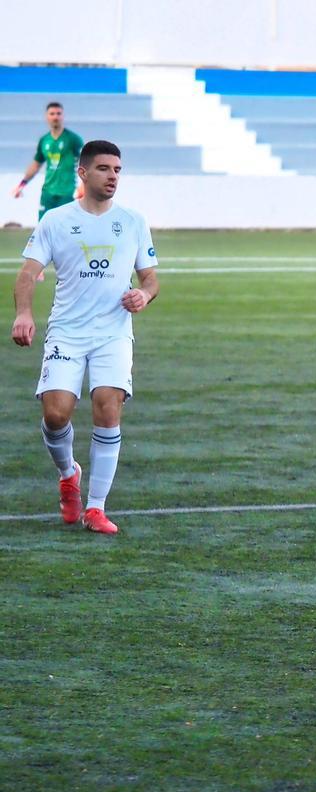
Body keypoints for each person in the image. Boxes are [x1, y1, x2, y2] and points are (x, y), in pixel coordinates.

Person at [10, 140, 159, 535]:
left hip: (113, 333)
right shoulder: (56, 220)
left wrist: (143, 294)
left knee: (107, 406)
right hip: (67, 331)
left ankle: (96, 508)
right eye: (104, 169)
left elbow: (151, 277)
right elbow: (26, 275)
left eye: (117, 170)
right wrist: (24, 313)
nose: (113, 177)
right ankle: (68, 473)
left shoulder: (132, 220)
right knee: (56, 413)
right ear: (83, 172)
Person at [11, 102, 85, 220]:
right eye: (52, 114)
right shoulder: (44, 140)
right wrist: (22, 184)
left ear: (63, 116)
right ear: (47, 117)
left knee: (66, 230)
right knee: (43, 229)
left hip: (67, 193)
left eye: (58, 113)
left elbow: (87, 161)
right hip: (47, 193)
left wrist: (84, 185)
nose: (55, 117)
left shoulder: (73, 139)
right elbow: (36, 164)